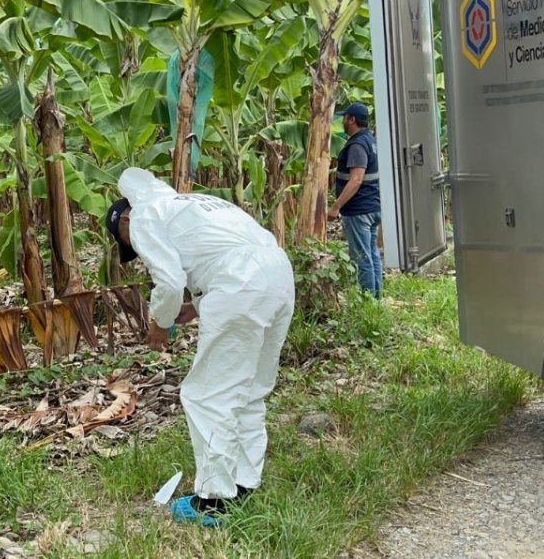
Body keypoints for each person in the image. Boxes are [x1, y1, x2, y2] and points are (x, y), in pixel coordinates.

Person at [105, 168, 295, 528]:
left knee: (207, 395)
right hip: (278, 276)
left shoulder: (144, 215)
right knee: (250, 391)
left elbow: (171, 281)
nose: (133, 248)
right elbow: (225, 258)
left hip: (241, 283)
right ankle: (243, 485)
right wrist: (199, 305)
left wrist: (160, 327)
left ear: (124, 218)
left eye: (126, 241)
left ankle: (214, 502)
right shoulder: (193, 204)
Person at [326, 102, 383, 299]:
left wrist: (336, 207)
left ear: (351, 120)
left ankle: (367, 301)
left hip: (360, 210)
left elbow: (356, 179)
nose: (341, 121)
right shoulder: (370, 140)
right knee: (372, 254)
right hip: (373, 206)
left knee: (361, 258)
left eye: (344, 117)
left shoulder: (357, 145)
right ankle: (375, 299)